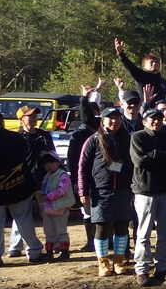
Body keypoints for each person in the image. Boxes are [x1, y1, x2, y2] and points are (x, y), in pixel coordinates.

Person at [0, 110, 45, 267]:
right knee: (24, 219)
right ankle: (34, 251)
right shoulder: (17, 138)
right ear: (2, 121)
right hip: (20, 186)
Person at [129, 108, 166, 286]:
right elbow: (140, 161)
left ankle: (162, 267)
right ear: (144, 121)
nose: (156, 122)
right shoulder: (137, 137)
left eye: (159, 118)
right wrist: (163, 159)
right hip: (144, 191)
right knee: (143, 233)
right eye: (152, 119)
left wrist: (154, 155)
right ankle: (142, 269)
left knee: (165, 233)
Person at [78, 106, 134, 277]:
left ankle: (118, 261)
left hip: (123, 190)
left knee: (122, 226)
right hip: (100, 190)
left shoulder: (127, 139)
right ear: (103, 120)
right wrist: (82, 190)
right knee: (102, 227)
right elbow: (83, 166)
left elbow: (133, 164)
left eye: (117, 118)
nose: (114, 121)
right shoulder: (93, 140)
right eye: (110, 118)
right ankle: (103, 262)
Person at [6, 104, 56, 257]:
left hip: (44, 179)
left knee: (49, 213)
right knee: (21, 214)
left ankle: (53, 244)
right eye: (30, 116)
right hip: (23, 180)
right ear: (21, 119)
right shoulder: (15, 138)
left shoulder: (44, 135)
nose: (34, 118)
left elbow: (53, 155)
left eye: (35, 115)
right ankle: (15, 246)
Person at [69, 84, 102, 253]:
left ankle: (105, 240)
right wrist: (76, 182)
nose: (94, 117)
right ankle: (91, 241)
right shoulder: (78, 135)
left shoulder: (105, 131)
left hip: (103, 179)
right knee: (87, 211)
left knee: (104, 210)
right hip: (85, 179)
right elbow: (72, 160)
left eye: (95, 113)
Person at [114, 37, 166, 104]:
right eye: (151, 62)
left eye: (156, 62)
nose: (154, 64)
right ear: (144, 66)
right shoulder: (141, 76)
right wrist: (121, 54)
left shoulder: (161, 80)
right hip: (147, 110)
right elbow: (130, 66)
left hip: (160, 111)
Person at [38, 151, 73, 262]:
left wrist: (47, 196)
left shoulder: (63, 175)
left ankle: (64, 252)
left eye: (51, 163)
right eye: (46, 164)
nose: (49, 166)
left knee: (61, 230)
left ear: (58, 162)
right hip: (48, 208)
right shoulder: (47, 176)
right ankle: (49, 252)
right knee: (48, 231)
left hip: (60, 207)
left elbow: (62, 190)